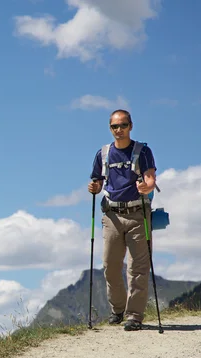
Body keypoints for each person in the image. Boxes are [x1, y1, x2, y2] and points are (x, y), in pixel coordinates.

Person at [88, 109, 157, 331]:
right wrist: (94, 187)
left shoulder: (142, 151)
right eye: (115, 126)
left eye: (123, 125)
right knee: (110, 266)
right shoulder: (103, 153)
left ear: (131, 126)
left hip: (138, 214)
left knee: (138, 267)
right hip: (112, 215)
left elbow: (150, 178)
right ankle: (118, 309)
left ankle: (134, 316)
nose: (119, 130)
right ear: (110, 128)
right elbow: (97, 181)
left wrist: (147, 186)